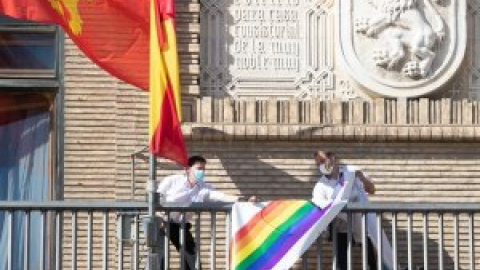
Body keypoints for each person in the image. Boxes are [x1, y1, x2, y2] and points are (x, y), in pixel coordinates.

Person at [156, 155, 255, 270]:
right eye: (199, 168)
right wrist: (159, 217)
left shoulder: (204, 187)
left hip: (180, 225)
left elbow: (220, 196)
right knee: (159, 257)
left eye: (203, 169)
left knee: (192, 259)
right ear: (188, 169)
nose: (202, 172)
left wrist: (244, 199)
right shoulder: (172, 181)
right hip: (161, 222)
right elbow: (156, 199)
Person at [312, 150, 377, 270]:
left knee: (370, 260)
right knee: (342, 263)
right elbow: (320, 204)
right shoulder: (321, 185)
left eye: (322, 161)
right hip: (341, 227)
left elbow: (372, 190)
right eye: (317, 164)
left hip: (361, 225)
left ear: (333, 159)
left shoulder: (351, 172)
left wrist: (361, 177)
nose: (320, 166)